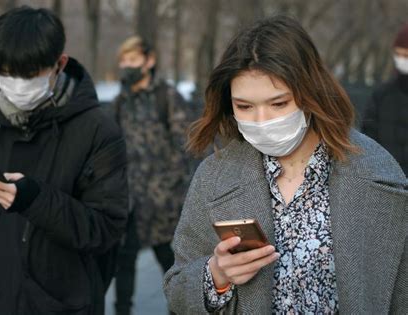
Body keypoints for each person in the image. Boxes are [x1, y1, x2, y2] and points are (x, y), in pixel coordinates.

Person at [164, 16, 407, 314]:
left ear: (310, 94)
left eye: (279, 103)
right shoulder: (214, 177)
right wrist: (217, 275)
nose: (262, 121)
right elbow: (176, 288)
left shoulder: (378, 174)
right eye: (245, 106)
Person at [0, 6, 128, 315]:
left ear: (59, 64)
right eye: (6, 73)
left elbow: (106, 229)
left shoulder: (98, 131)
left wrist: (36, 200)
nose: (16, 84)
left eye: (28, 75)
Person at [111, 36, 190, 315]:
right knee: (124, 263)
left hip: (163, 205)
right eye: (123, 60)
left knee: (169, 264)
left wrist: (166, 191)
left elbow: (185, 149)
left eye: (132, 60)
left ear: (149, 61)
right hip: (130, 201)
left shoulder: (166, 97)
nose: (126, 66)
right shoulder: (121, 102)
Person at [362, 23, 408, 176]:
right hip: (390, 183)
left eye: (406, 56)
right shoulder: (382, 95)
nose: (401, 60)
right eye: (398, 54)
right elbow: (368, 140)